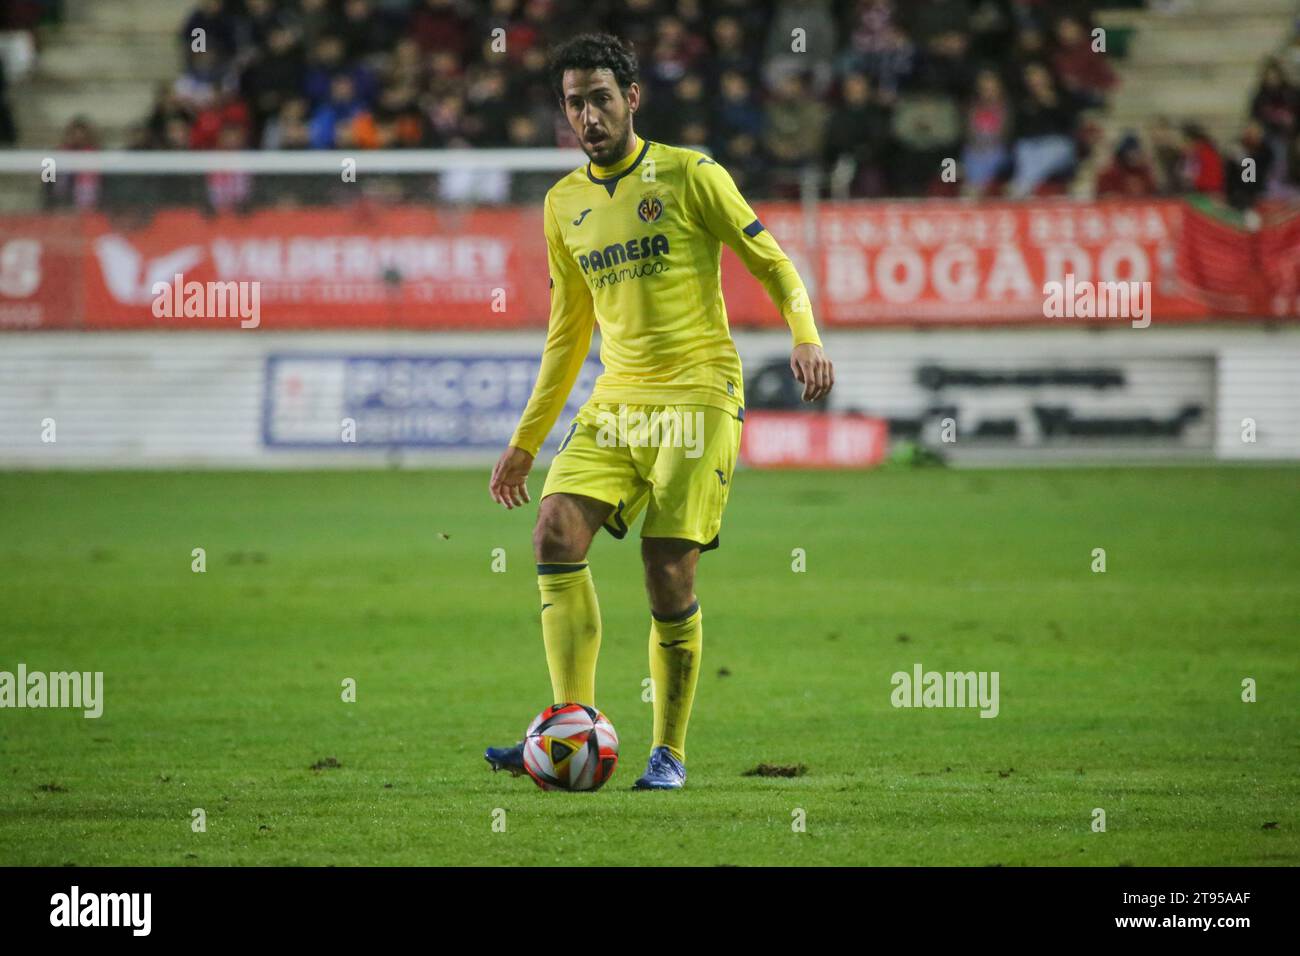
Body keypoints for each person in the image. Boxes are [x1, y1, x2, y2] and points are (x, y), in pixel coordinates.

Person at [485, 33, 834, 790]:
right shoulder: (563, 204)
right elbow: (566, 335)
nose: (588, 114)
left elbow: (772, 262)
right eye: (574, 102)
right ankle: (567, 727)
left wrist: (804, 336)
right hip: (619, 400)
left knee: (664, 571)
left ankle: (668, 752)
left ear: (632, 97)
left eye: (601, 98)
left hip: (699, 392)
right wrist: (525, 441)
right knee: (553, 527)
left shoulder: (690, 174)